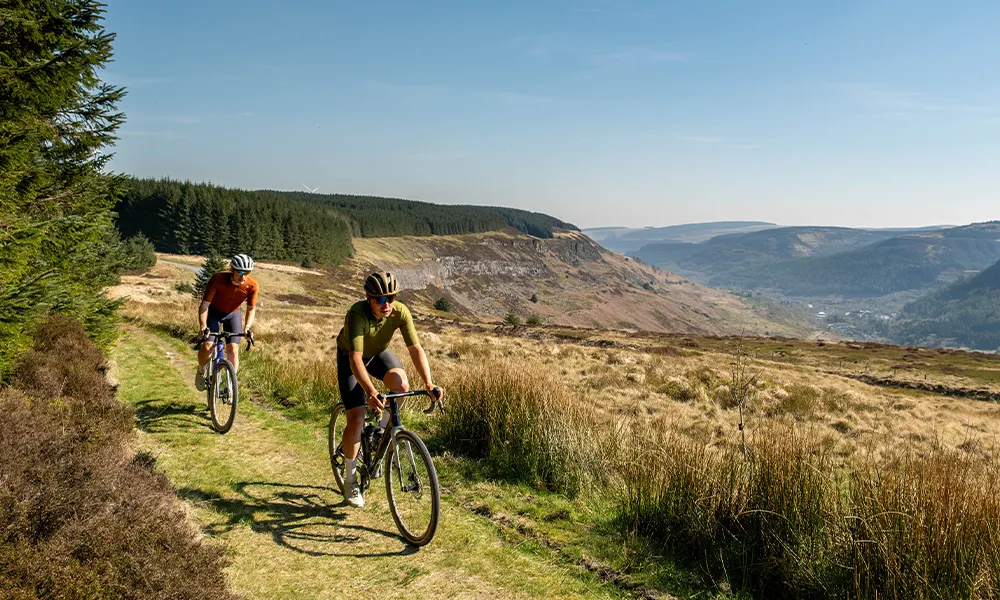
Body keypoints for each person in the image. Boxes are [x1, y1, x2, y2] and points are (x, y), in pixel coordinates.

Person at [336, 271, 443, 508]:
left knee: (401, 385)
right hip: (351, 359)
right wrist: (371, 392)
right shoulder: (357, 314)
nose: (386, 304)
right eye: (379, 299)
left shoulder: (400, 312)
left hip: (377, 355)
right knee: (356, 417)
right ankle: (350, 480)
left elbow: (415, 348)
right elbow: (355, 360)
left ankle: (379, 434)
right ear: (368, 298)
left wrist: (428, 383)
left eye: (391, 297)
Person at [195, 253, 258, 391]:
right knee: (207, 346)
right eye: (240, 272)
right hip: (214, 314)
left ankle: (231, 386)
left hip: (233, 315)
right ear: (232, 270)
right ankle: (201, 370)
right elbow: (204, 305)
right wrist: (203, 326)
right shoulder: (218, 279)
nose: (243, 276)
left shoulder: (252, 285)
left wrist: (247, 327)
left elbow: (251, 308)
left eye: (247, 272)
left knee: (233, 350)